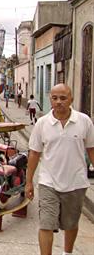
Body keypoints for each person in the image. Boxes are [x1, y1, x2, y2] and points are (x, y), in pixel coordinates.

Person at [26, 84, 94, 255]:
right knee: (46, 225)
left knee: (71, 224)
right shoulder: (42, 124)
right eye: (55, 98)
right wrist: (28, 182)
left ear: (71, 99)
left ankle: (67, 252)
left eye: (63, 98)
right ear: (50, 99)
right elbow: (34, 153)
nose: (58, 102)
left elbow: (91, 150)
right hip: (48, 182)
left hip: (76, 182)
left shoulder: (84, 121)